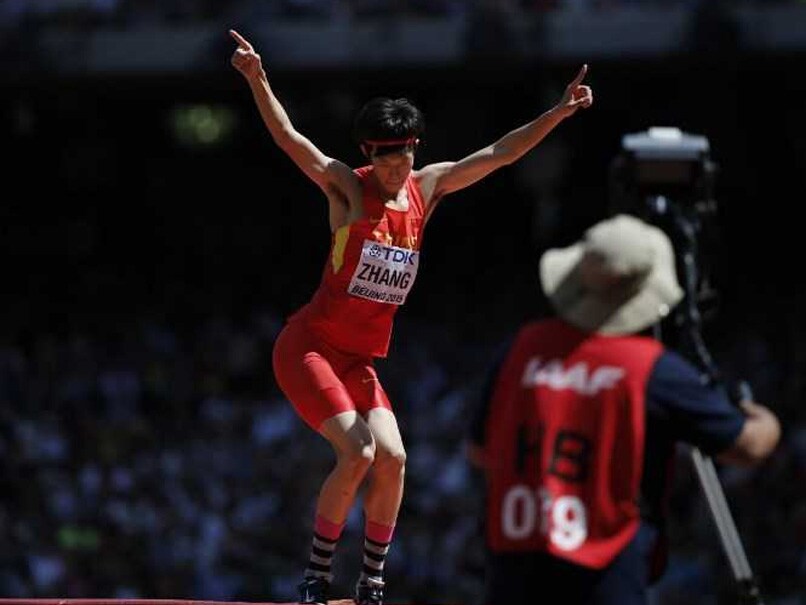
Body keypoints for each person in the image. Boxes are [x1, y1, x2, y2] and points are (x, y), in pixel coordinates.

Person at [228, 28, 593, 605]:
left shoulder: (428, 187)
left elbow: (500, 153)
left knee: (395, 458)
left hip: (358, 360)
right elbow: (290, 138)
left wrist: (558, 113)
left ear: (415, 148)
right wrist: (258, 79)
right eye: (384, 155)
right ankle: (316, 576)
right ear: (367, 153)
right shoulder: (348, 190)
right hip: (309, 348)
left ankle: (371, 579)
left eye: (403, 153)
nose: (396, 165)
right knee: (358, 452)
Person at [466, 214, 781, 605]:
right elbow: (748, 447)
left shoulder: (521, 347)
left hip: (513, 568)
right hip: (608, 573)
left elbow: (479, 451)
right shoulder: (650, 368)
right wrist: (759, 415)